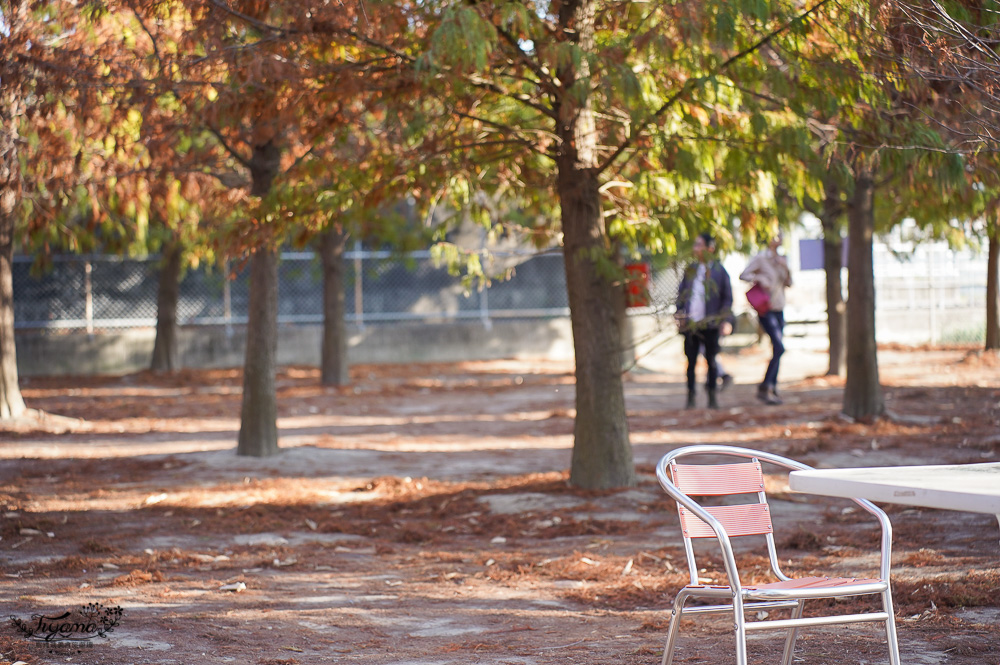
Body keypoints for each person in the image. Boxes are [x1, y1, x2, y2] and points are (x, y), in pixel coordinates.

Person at [675, 233, 733, 409]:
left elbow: (727, 298)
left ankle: (712, 396)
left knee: (712, 361)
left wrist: (725, 320)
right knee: (690, 362)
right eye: (695, 245)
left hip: (711, 324)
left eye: (699, 245)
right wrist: (679, 314)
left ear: (710, 248)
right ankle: (690, 396)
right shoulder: (690, 270)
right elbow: (681, 295)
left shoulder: (719, 271)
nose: (695, 248)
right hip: (691, 324)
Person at [740, 229, 793, 405]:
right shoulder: (761, 258)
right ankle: (765, 387)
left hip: (779, 307)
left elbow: (790, 283)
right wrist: (759, 278)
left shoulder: (782, 259)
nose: (779, 237)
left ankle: (773, 387)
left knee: (777, 349)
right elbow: (743, 274)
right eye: (775, 234)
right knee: (779, 347)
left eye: (780, 234)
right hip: (765, 308)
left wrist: (785, 267)